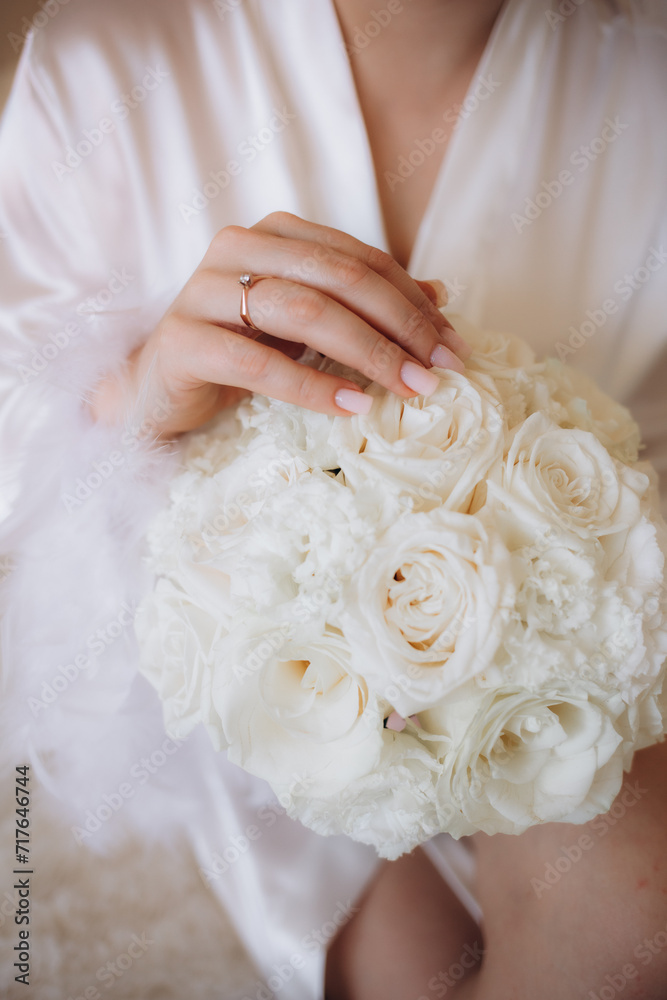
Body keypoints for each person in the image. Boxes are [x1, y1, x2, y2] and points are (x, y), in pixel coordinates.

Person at [1, 1, 666, 997]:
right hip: (280, 704)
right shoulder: (108, 62)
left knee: (626, 925)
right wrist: (137, 396)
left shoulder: (644, 93)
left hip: (555, 690)